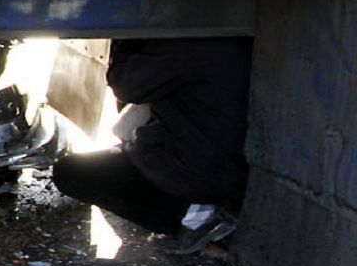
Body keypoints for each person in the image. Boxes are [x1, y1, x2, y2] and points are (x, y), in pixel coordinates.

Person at [52, 38, 252, 254]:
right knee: (128, 136)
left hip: (199, 169)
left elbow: (126, 86)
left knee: (70, 171)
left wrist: (125, 40)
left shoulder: (188, 46)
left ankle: (192, 216)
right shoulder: (228, 39)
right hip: (230, 162)